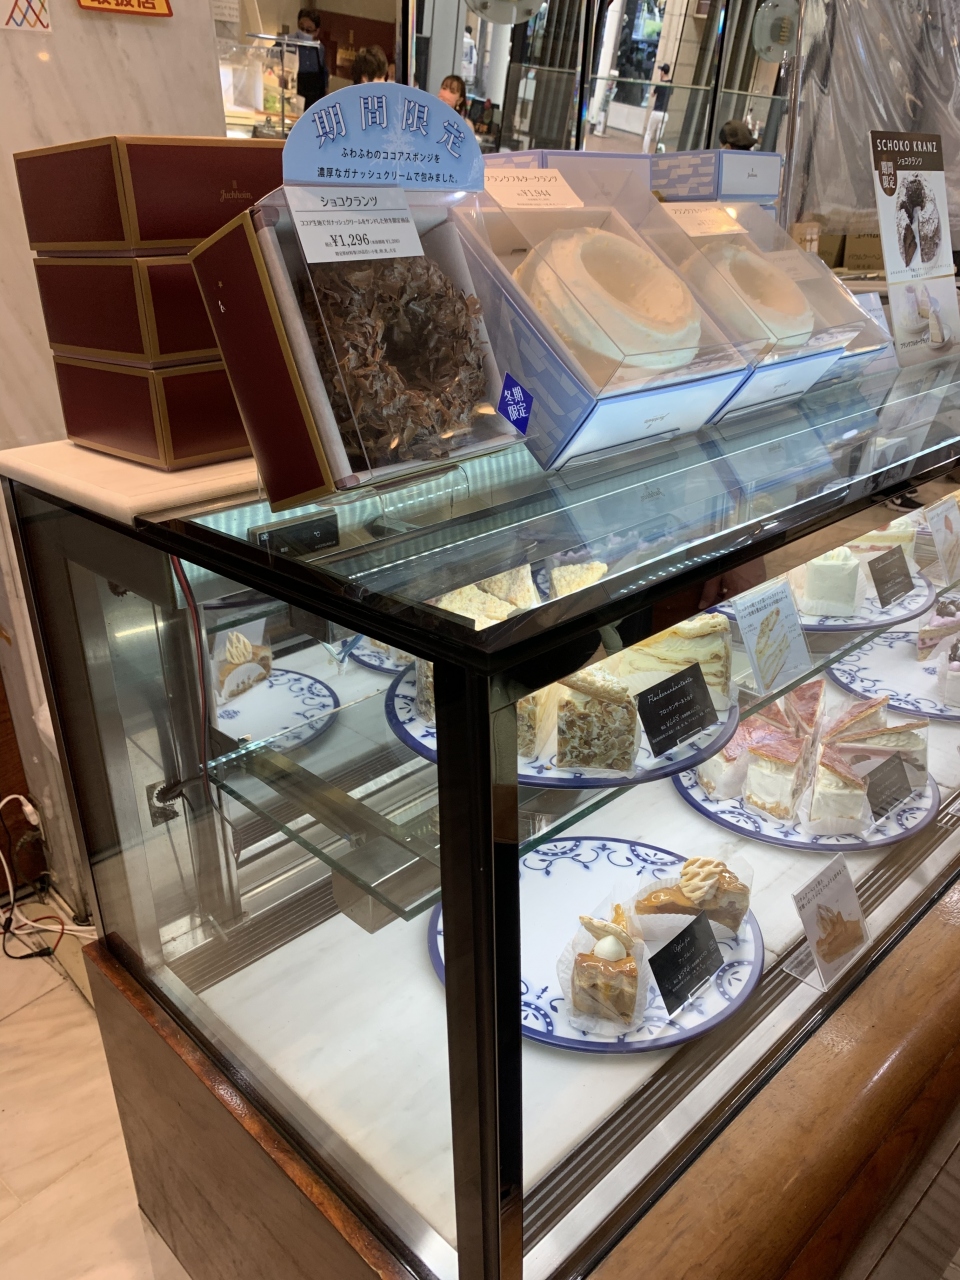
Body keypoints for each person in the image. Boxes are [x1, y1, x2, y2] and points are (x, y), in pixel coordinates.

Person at [293, 8, 328, 108]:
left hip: (315, 102)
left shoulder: (320, 49)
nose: (304, 32)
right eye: (301, 28)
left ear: (316, 32)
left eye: (308, 30)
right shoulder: (289, 44)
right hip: (295, 98)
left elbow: (324, 74)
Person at [642, 63, 672, 153]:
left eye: (661, 71)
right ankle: (660, 153)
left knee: (649, 133)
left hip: (657, 111)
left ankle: (644, 153)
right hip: (664, 113)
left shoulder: (660, 84)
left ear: (663, 72)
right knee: (659, 137)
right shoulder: (670, 84)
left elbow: (653, 94)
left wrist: (652, 91)